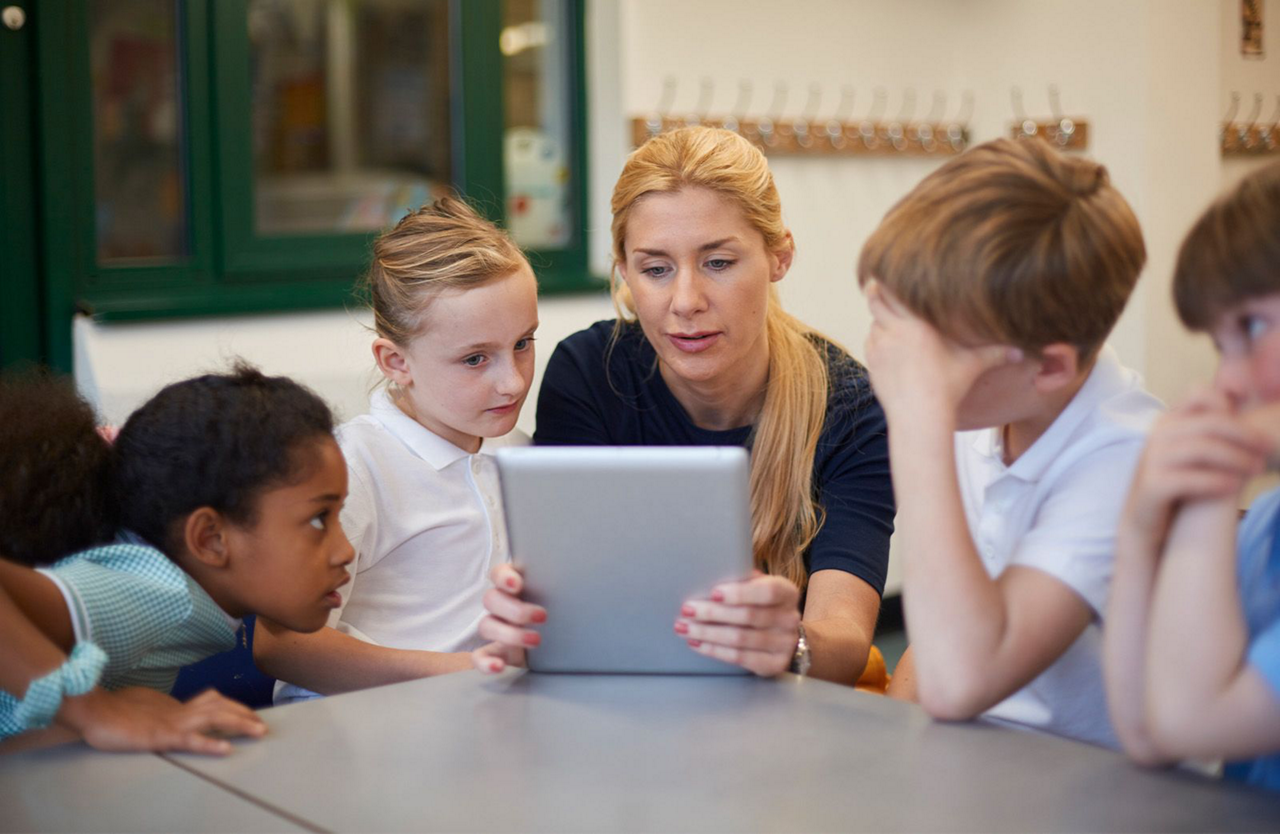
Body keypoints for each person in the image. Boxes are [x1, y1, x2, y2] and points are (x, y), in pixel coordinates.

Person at [474, 126, 895, 684]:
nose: (686, 302)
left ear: (779, 256)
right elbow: (584, 595)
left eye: (718, 262)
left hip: (779, 709)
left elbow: (843, 639)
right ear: (624, 271)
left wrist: (789, 643)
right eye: (656, 269)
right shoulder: (588, 374)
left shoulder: (849, 407)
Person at [859, 137, 1162, 749]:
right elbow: (941, 628)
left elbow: (959, 680)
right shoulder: (989, 419)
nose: (891, 359)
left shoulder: (1128, 461)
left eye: (930, 351)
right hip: (979, 764)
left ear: (1048, 368)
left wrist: (918, 419)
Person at [254, 196, 538, 702]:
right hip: (356, 732)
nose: (512, 383)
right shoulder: (352, 468)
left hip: (478, 720)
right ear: (395, 361)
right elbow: (283, 647)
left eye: (523, 343)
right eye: (476, 359)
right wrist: (463, 670)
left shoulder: (519, 453)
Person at [0, 365, 353, 753]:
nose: (345, 551)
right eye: (319, 519)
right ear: (210, 539)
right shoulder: (150, 591)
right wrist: (96, 713)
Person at [1105, 160, 1280, 790]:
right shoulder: (1266, 528)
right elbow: (1149, 732)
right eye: (1220, 345)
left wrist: (1210, 489)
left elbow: (1191, 722)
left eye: (1253, 328)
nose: (1227, 381)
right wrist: (1139, 528)